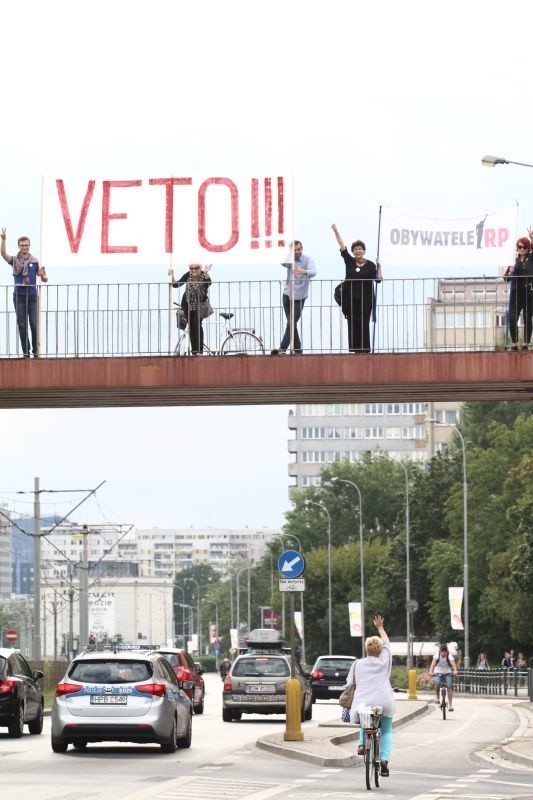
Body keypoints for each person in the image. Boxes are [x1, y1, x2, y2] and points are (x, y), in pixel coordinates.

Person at [350, 614, 394, 777]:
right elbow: (387, 645)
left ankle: (362, 744)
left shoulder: (358, 664)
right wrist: (380, 627)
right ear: (379, 650)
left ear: (366, 649)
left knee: (365, 720)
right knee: (387, 731)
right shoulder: (384, 662)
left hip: (364, 702)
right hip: (384, 701)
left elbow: (349, 683)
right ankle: (384, 759)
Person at [331, 224, 382, 353]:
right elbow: (342, 246)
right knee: (353, 323)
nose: (358, 251)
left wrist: (379, 265)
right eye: (355, 249)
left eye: (360, 249)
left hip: (366, 299)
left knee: (364, 323)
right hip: (351, 299)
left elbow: (378, 279)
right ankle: (355, 348)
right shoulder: (349, 261)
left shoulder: (370, 265)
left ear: (364, 251)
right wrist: (336, 231)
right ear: (353, 251)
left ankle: (365, 349)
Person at [1, 228, 48, 357]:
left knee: (34, 323)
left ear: (29, 246)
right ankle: (26, 353)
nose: (24, 247)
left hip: (32, 296)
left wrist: (43, 275)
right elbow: (3, 254)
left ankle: (35, 351)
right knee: (22, 325)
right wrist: (3, 240)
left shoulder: (35, 261)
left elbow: (44, 279)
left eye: (26, 245)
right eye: (22, 245)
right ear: (19, 247)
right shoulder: (15, 260)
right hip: (19, 296)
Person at [271, 240, 316, 355]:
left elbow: (313, 271)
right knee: (291, 324)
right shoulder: (290, 260)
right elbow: (282, 263)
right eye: (294, 250)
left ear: (302, 249)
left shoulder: (308, 259)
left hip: (300, 297)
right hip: (287, 295)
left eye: (298, 249)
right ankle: (297, 348)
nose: (297, 252)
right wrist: (289, 252)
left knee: (291, 323)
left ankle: (282, 348)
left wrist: (303, 271)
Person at [168, 262, 212, 354]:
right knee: (191, 327)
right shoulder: (188, 275)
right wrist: (171, 275)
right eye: (192, 269)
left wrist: (207, 273)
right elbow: (176, 285)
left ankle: (200, 351)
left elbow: (208, 283)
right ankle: (194, 351)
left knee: (198, 326)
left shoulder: (204, 275)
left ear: (200, 269)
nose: (194, 270)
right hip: (187, 304)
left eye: (196, 268)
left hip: (199, 305)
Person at [503, 235, 533, 350]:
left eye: (524, 246)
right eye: (519, 247)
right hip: (516, 295)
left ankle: (526, 344)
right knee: (512, 319)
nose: (522, 249)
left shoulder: (531, 258)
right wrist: (510, 272)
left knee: (527, 320)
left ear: (528, 247)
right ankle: (514, 343)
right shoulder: (513, 261)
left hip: (528, 294)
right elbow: (506, 278)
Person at [429, 643, 458, 711]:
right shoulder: (436, 656)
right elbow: (432, 665)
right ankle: (437, 697)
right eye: (442, 651)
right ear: (440, 651)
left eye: (445, 651)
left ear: (447, 651)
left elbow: (453, 664)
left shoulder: (449, 656)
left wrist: (455, 671)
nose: (443, 653)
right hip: (438, 671)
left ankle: (450, 705)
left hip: (447, 672)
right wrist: (431, 672)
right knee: (437, 682)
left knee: (449, 686)